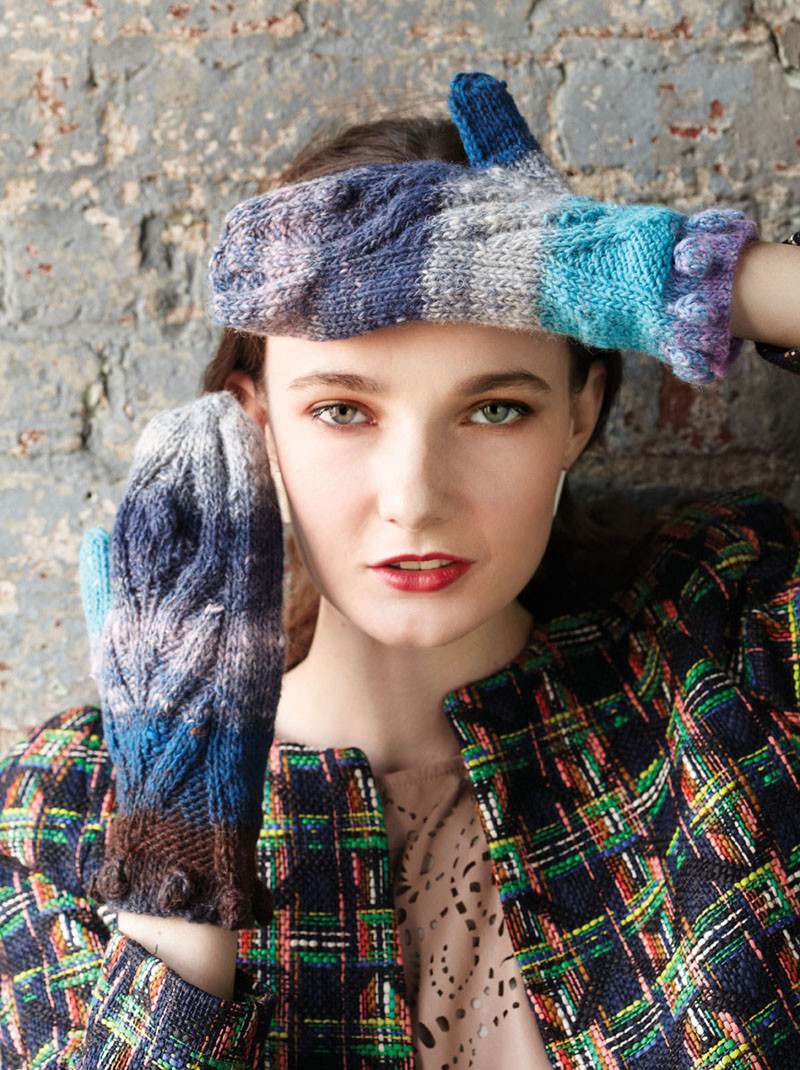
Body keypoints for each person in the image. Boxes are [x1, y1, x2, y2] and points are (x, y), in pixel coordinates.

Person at [0, 70, 799, 1069]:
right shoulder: (65, 807)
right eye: (342, 410)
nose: (414, 497)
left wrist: (682, 278)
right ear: (255, 425)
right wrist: (177, 870)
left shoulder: (729, 662)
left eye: (495, 408)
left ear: (580, 414)